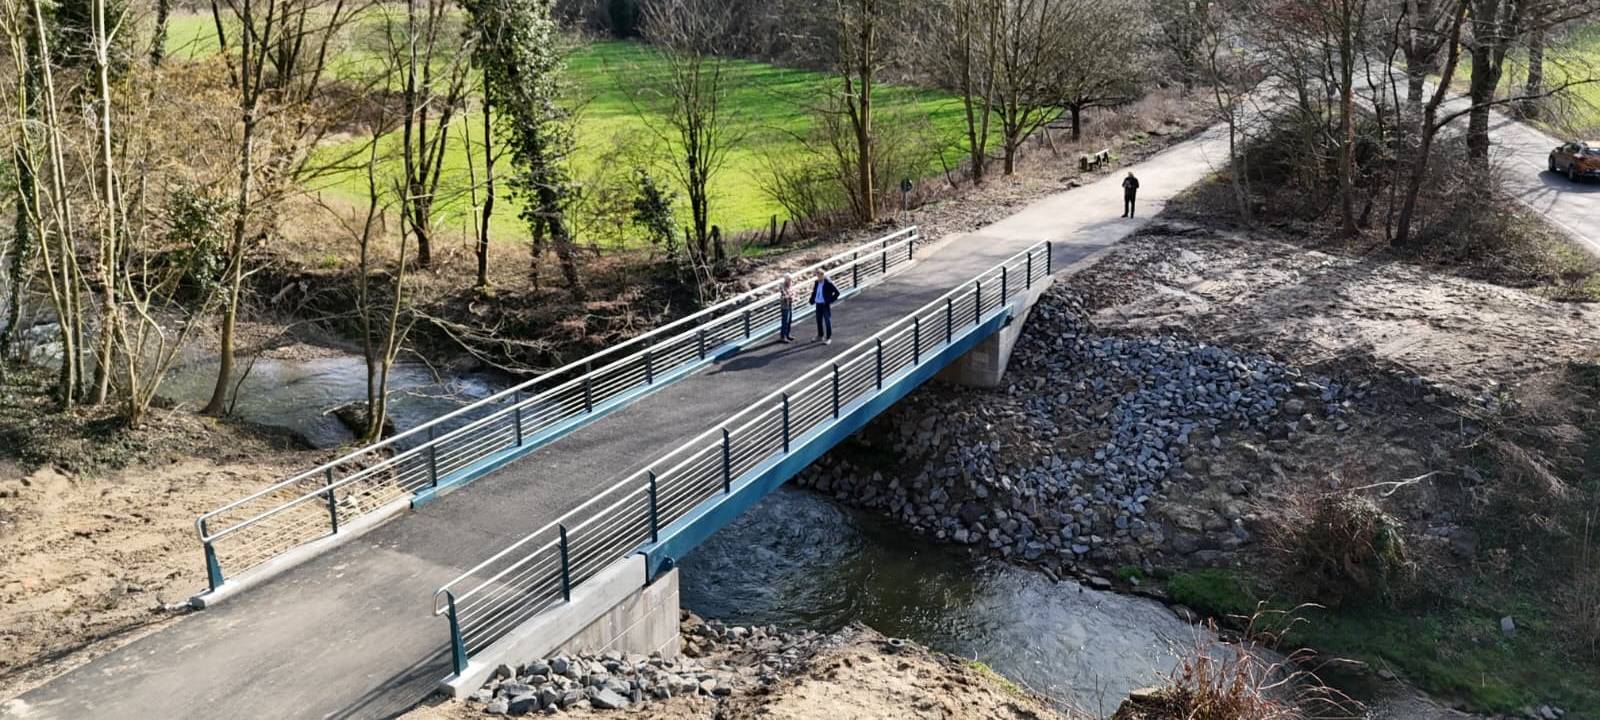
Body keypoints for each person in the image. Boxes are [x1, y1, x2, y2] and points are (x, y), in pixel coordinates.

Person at [810, 268, 840, 345]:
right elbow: (815, 292)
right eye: (817, 276)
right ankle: (820, 335)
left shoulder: (828, 282)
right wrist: (811, 300)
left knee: (827, 321)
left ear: (822, 275)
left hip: (825, 304)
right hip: (818, 304)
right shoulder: (817, 282)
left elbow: (837, 293)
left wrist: (829, 301)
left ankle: (828, 337)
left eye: (818, 276)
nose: (817, 277)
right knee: (819, 320)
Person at [777, 274, 796, 344]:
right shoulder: (782, 286)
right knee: (785, 321)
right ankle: (783, 336)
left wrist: (792, 296)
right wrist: (789, 296)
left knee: (789, 320)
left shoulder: (791, 285)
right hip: (785, 306)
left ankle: (788, 334)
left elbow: (793, 292)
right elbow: (784, 295)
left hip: (790, 304)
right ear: (786, 279)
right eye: (789, 279)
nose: (790, 281)